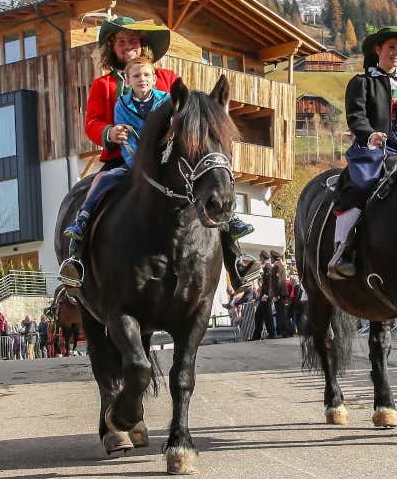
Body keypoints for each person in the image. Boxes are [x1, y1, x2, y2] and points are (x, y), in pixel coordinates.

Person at [77, 16, 258, 290]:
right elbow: (92, 123)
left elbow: (187, 112)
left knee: (206, 193)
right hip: (123, 159)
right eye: (121, 41)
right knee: (97, 191)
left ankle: (236, 260)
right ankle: (77, 259)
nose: (127, 46)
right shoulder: (103, 85)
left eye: (133, 40)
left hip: (168, 160)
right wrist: (109, 132)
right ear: (111, 47)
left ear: (143, 45)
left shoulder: (166, 78)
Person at [329, 27, 397, 279]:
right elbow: (357, 117)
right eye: (391, 47)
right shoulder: (362, 83)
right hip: (373, 149)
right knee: (360, 186)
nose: (396, 52)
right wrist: (370, 135)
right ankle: (343, 251)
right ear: (378, 50)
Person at [63, 51, 171, 241]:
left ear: (154, 79)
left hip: (166, 159)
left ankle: (224, 224)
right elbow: (125, 140)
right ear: (127, 81)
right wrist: (137, 164)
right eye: (136, 76)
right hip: (134, 162)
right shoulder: (119, 104)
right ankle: (83, 218)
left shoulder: (167, 100)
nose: (142, 79)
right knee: (104, 179)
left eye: (146, 75)